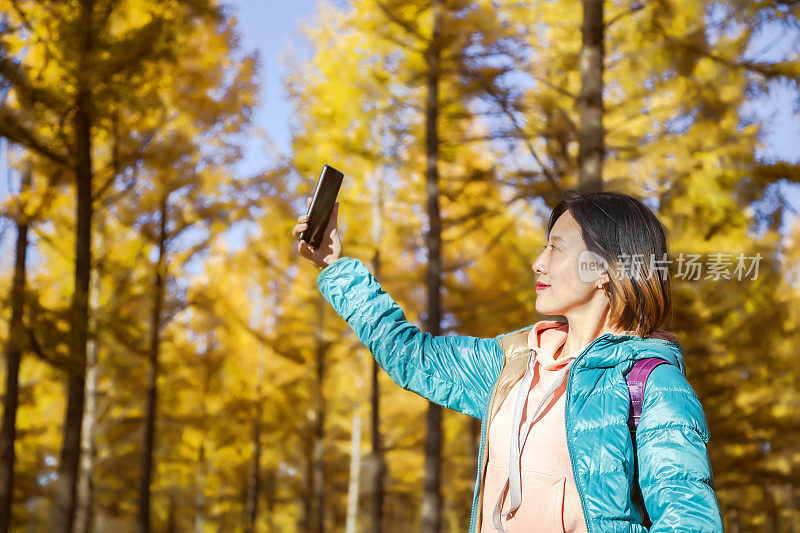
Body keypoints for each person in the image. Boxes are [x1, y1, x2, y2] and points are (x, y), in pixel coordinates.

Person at [292, 190, 724, 532]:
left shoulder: (653, 384)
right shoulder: (515, 362)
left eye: (556, 248)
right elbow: (410, 356)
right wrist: (334, 265)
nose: (539, 262)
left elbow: (688, 522)